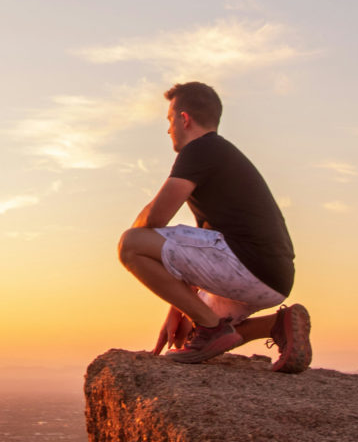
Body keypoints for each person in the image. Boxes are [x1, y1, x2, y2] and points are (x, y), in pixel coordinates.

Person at [117, 81, 311, 373]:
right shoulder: (220, 156)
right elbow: (199, 253)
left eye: (170, 120)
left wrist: (135, 235)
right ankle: (277, 324)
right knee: (190, 338)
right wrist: (180, 309)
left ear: (184, 119)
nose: (168, 130)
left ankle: (211, 327)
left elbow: (156, 218)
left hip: (247, 265)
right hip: (272, 278)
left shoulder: (200, 150)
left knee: (131, 245)